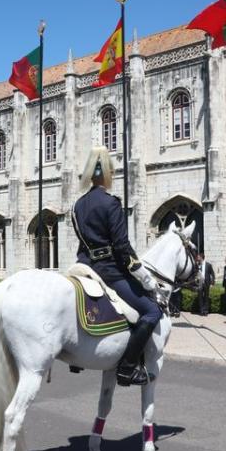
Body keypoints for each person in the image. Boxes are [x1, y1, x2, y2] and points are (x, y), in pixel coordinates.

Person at [72, 147, 164, 386]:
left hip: (83, 266)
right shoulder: (110, 203)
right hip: (109, 271)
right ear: (108, 174)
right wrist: (144, 276)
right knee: (152, 311)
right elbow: (122, 247)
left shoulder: (77, 205)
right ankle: (126, 368)